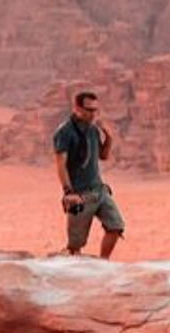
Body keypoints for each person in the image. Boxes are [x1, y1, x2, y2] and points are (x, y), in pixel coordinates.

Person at [54, 90, 124, 258]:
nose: (93, 114)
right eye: (89, 110)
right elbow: (60, 164)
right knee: (76, 245)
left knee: (115, 226)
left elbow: (103, 156)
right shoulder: (64, 132)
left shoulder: (92, 130)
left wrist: (109, 138)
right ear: (77, 108)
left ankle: (102, 264)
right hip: (80, 194)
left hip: (99, 190)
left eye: (95, 110)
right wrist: (68, 192)